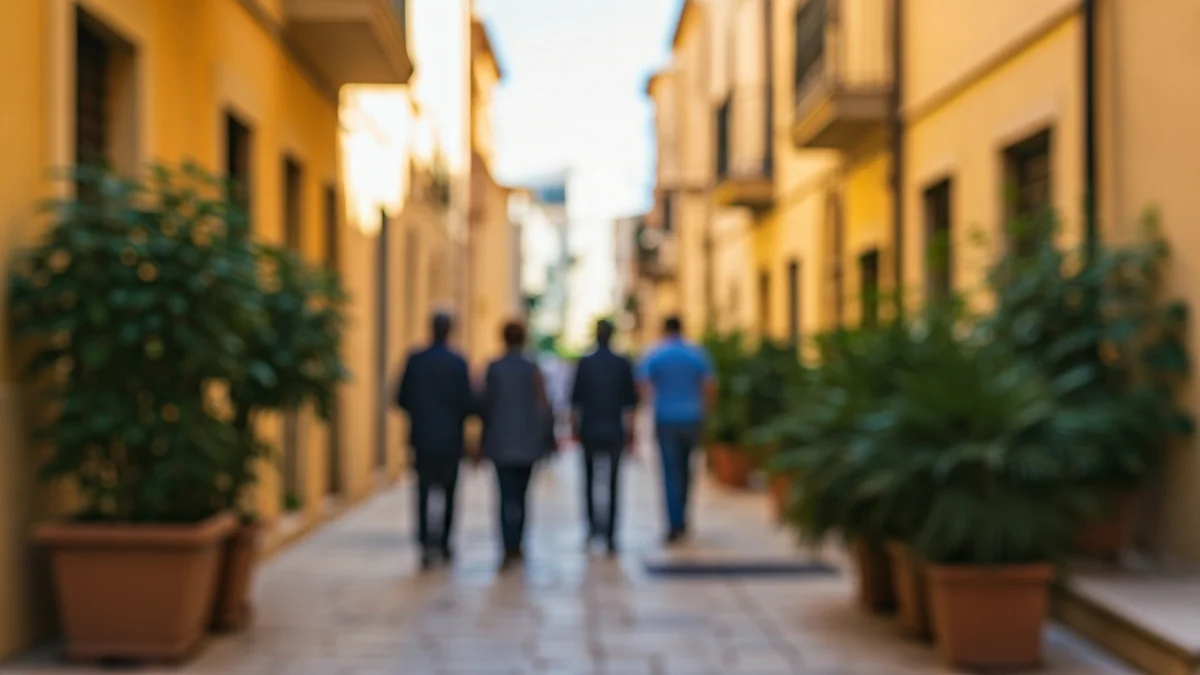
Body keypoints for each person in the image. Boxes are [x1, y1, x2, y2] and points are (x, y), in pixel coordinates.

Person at [396, 312, 475, 569]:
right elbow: (468, 403)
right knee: (450, 492)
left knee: (423, 490)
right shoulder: (458, 362)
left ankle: (425, 543)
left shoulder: (416, 359)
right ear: (450, 329)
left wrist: (420, 415)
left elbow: (401, 397)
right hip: (450, 438)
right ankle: (443, 542)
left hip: (422, 436)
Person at [480, 320, 557, 569]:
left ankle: (507, 545)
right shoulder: (532, 368)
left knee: (504, 496)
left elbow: (485, 407)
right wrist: (547, 440)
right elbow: (544, 406)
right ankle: (518, 544)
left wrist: (481, 441)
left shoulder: (494, 368)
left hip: (501, 443)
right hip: (527, 444)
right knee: (522, 497)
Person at [637, 316, 715, 545]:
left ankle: (674, 523)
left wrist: (654, 401)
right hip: (691, 417)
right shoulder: (696, 354)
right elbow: (709, 386)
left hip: (666, 419)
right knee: (687, 470)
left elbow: (642, 383)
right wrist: (704, 409)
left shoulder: (656, 353)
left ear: (664, 329)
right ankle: (683, 519)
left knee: (669, 471)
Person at [571, 319, 638, 555]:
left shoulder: (585, 363)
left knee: (589, 481)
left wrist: (573, 430)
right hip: (614, 430)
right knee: (613, 483)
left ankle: (592, 528)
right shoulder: (621, 363)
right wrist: (632, 434)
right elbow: (630, 404)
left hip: (590, 429)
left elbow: (575, 401)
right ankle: (610, 534)